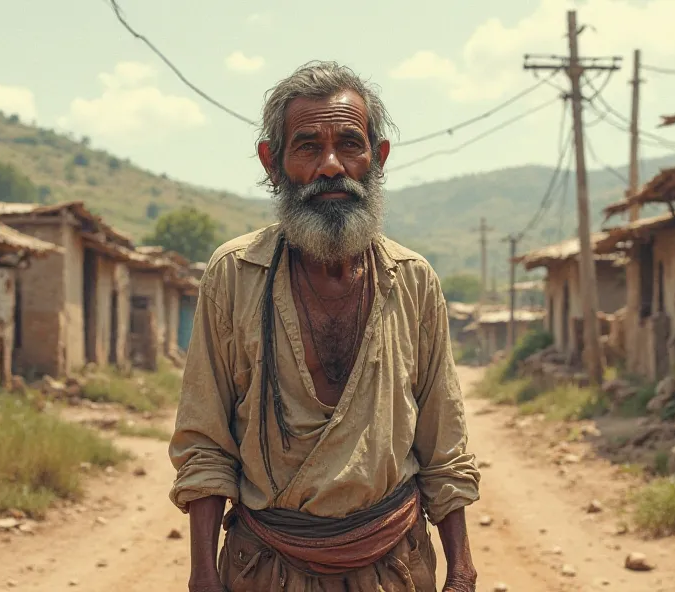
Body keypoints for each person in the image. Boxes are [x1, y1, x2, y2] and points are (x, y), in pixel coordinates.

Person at [169, 60, 481, 592]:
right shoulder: (236, 274)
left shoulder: (412, 281)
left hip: (395, 568)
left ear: (377, 159)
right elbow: (205, 443)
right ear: (273, 163)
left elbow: (443, 445)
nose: (331, 166)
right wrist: (203, 575)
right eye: (308, 146)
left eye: (350, 145)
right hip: (264, 568)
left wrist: (462, 570)